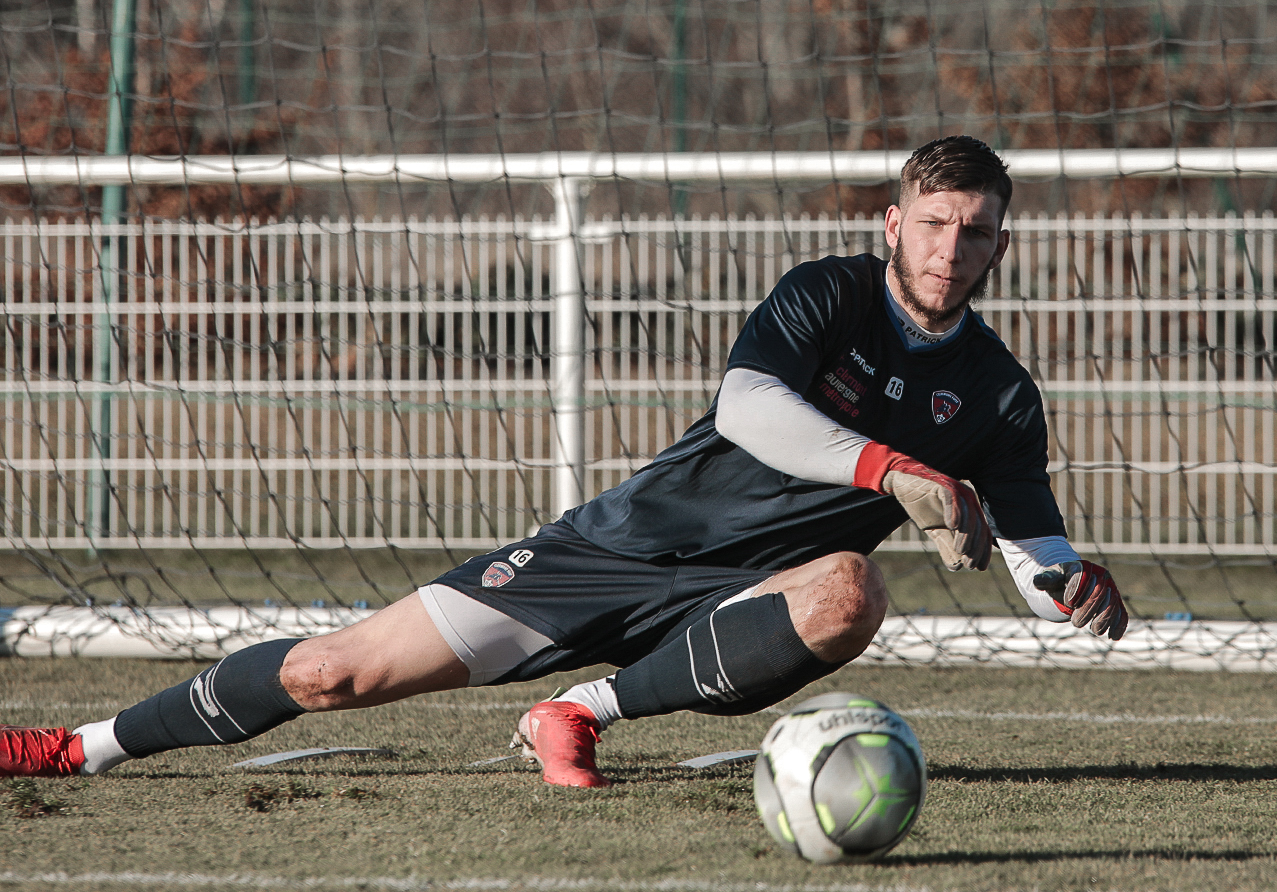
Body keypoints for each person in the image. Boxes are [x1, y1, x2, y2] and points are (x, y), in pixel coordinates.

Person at [1, 135, 1127, 787]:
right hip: (617, 551)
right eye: (933, 221)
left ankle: (580, 710)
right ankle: (77, 747)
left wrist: (1070, 586)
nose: (951, 247)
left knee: (852, 591)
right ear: (892, 222)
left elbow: (1034, 550)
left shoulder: (998, 394)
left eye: (975, 229)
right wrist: (893, 471)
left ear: (1002, 241)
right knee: (328, 673)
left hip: (748, 604)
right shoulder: (827, 294)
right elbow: (747, 409)